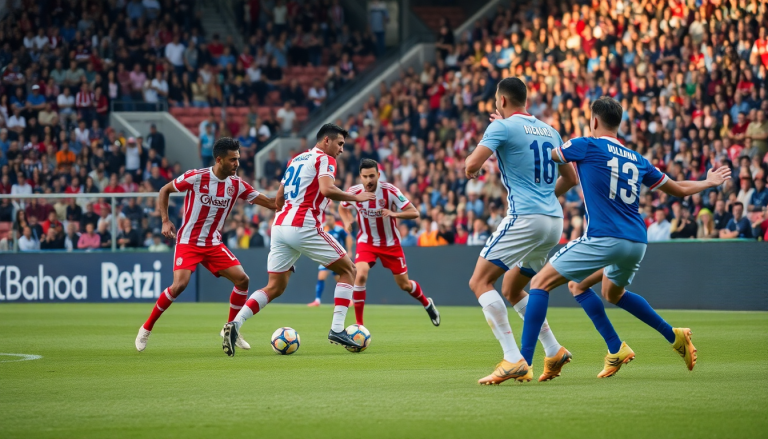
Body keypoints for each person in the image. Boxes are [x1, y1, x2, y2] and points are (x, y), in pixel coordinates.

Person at [519, 97, 730, 381]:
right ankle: (657, 339)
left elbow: (547, 154)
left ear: (594, 120)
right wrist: (708, 182)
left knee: (540, 283)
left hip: (604, 237)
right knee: (598, 290)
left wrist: (516, 128)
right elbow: (678, 189)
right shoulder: (637, 159)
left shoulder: (585, 144)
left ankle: (522, 361)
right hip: (636, 241)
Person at [221, 123, 376, 357]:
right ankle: (336, 329)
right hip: (303, 225)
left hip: (280, 225)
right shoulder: (326, 159)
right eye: (340, 144)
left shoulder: (297, 159)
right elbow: (326, 189)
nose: (342, 149)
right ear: (326, 141)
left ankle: (235, 323)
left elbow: (280, 196)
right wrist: (356, 196)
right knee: (349, 270)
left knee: (275, 287)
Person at [463, 77, 578, 385]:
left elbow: (471, 163)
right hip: (553, 221)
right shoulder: (550, 131)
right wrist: (546, 198)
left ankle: (513, 358)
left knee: (479, 281)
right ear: (525, 100)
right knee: (513, 289)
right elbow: (571, 178)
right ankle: (553, 349)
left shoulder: (500, 127)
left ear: (500, 101)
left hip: (525, 217)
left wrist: (472, 168)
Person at [136, 137, 278, 352]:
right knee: (179, 285)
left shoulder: (236, 184)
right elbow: (165, 190)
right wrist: (165, 220)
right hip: (189, 241)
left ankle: (231, 328)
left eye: (238, 159)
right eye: (232, 160)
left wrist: (291, 196)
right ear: (219, 160)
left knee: (242, 280)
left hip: (212, 243)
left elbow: (269, 202)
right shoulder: (196, 177)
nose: (236, 164)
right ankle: (146, 328)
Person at [338, 158, 440, 326]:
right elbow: (343, 206)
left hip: (390, 244)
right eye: (365, 176)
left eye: (372, 176)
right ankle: (359, 325)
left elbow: (414, 212)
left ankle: (427, 303)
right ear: (360, 176)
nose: (368, 180)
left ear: (378, 175)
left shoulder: (389, 191)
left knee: (405, 285)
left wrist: (394, 214)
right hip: (366, 242)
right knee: (360, 274)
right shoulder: (354, 191)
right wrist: (347, 220)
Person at [307, 211, 352, 307]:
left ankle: (348, 299)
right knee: (321, 277)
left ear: (334, 220)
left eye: (330, 219)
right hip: (326, 257)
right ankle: (317, 300)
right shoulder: (324, 229)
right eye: (327, 219)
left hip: (338, 258)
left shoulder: (339, 230)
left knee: (340, 279)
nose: (328, 220)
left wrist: (349, 250)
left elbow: (348, 237)